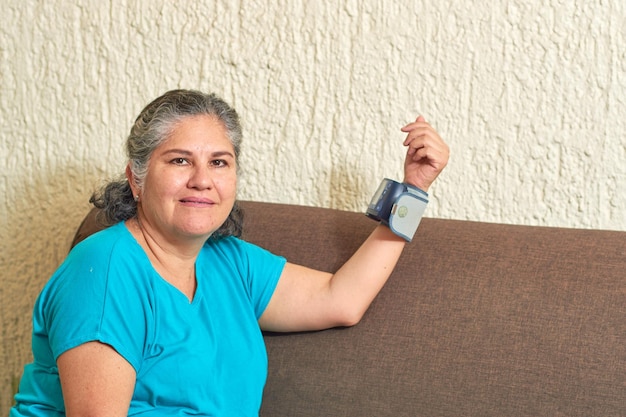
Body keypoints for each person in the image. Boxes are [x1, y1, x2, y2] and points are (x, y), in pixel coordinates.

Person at [11, 89, 449, 416]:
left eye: (219, 162)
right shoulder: (104, 270)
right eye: (180, 161)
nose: (203, 180)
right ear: (137, 178)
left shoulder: (229, 261)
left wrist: (414, 190)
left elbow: (341, 299)